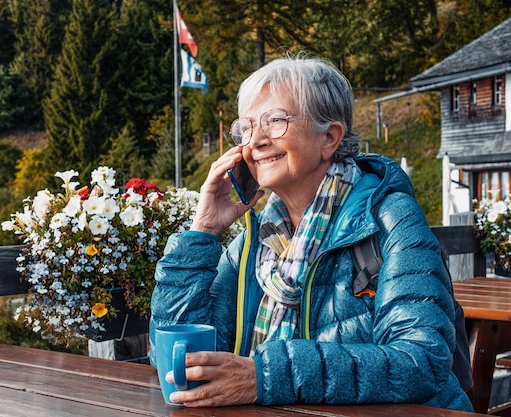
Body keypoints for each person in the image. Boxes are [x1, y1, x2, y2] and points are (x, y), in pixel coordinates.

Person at [148, 54, 473, 412]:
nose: (255, 140)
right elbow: (176, 360)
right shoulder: (255, 242)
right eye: (247, 126)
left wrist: (265, 377)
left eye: (275, 121)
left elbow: (421, 362)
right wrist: (203, 232)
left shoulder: (390, 219)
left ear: (330, 138)